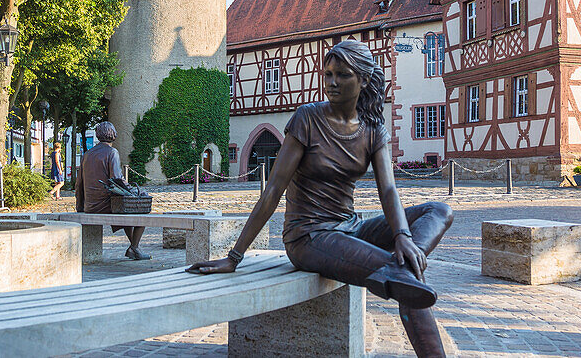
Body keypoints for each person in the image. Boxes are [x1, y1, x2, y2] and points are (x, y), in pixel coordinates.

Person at [187, 40, 453, 357]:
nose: (331, 82)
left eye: (342, 74)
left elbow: (388, 190)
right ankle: (407, 280)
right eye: (327, 74)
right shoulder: (307, 119)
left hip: (350, 228)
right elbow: (273, 190)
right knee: (403, 275)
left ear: (364, 80)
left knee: (439, 210)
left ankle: (406, 266)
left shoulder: (372, 129)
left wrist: (403, 237)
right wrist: (234, 256)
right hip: (309, 236)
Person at [74, 121, 150, 260]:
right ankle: (134, 247)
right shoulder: (112, 152)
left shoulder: (87, 154)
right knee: (141, 211)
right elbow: (116, 180)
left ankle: (134, 249)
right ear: (113, 134)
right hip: (105, 205)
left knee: (125, 208)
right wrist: (135, 192)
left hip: (90, 206)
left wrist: (80, 207)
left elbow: (79, 184)